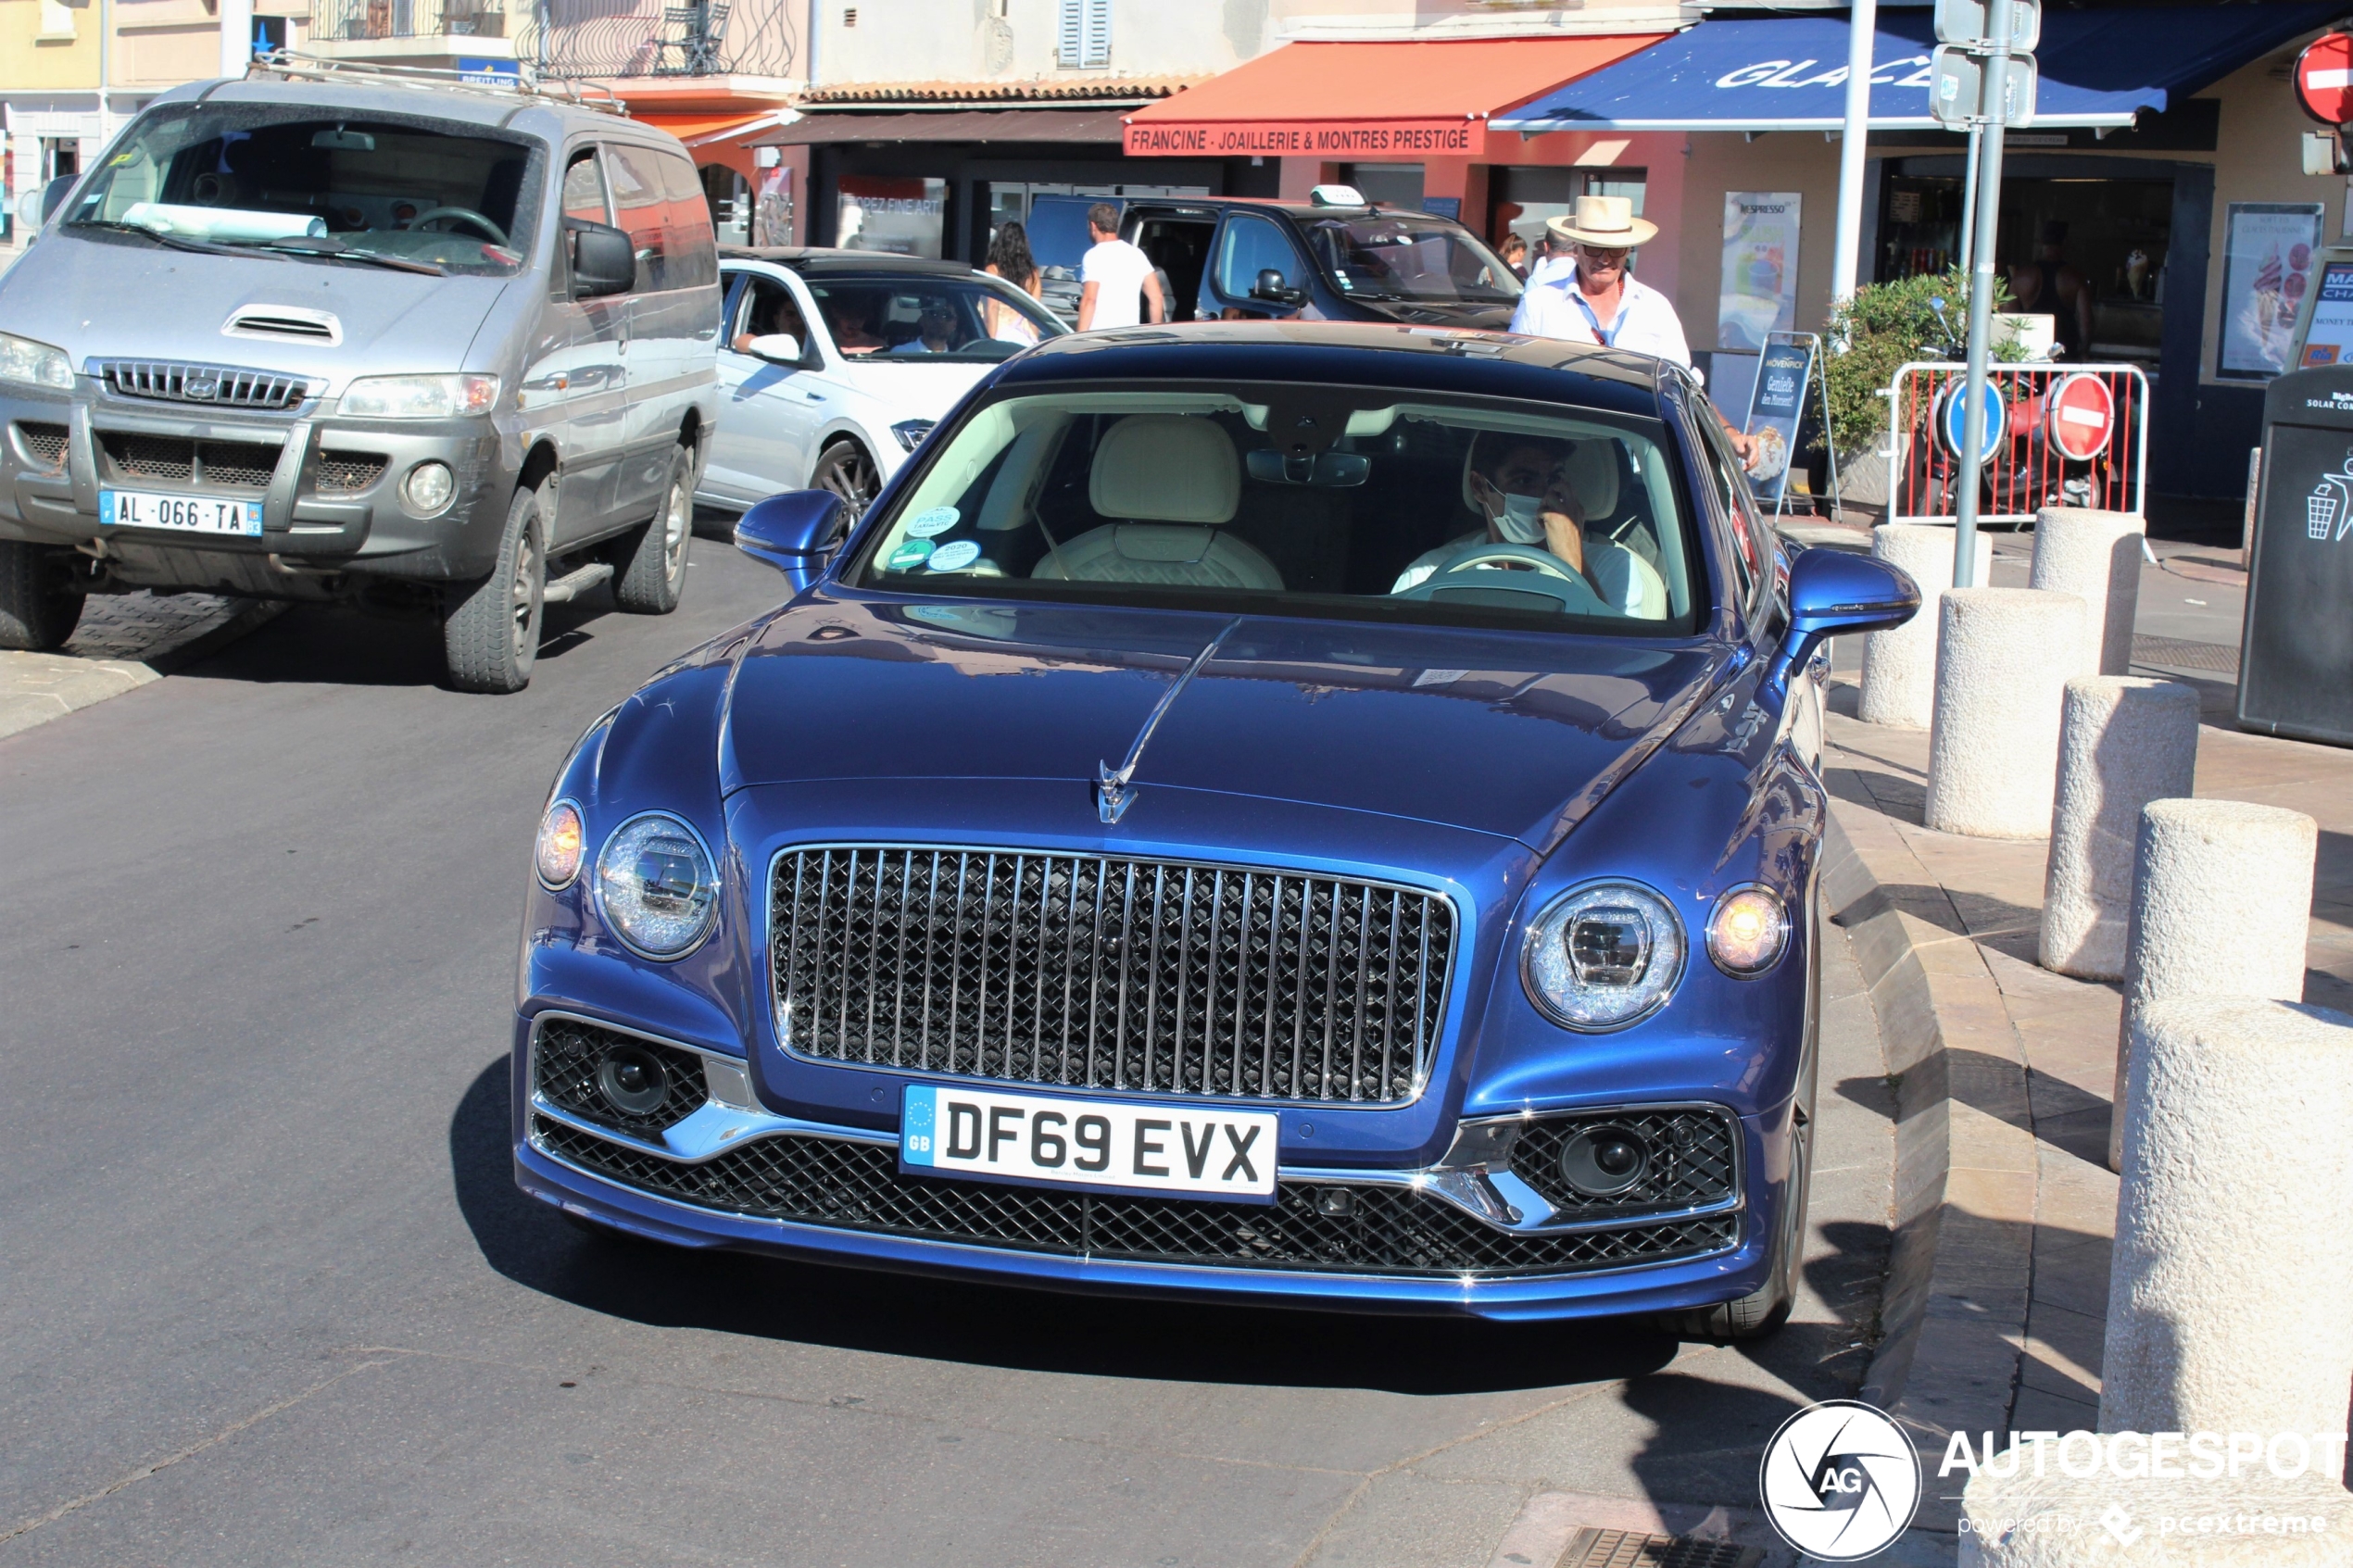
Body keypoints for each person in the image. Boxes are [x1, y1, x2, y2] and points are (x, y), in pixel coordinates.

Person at [1511, 195, 1755, 464]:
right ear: (1577, 248)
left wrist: (1729, 433)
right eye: (1594, 248)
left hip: (1641, 467)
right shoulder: (1540, 303)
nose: (1604, 259)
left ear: (1628, 251)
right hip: (1558, 459)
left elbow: (1685, 388)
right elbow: (1513, 383)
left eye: (1615, 249)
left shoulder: (1655, 308)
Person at [1389, 433, 1663, 618]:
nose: (1543, 495)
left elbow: (1615, 665)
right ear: (1480, 487)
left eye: (1554, 479)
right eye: (1524, 481)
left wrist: (1571, 560)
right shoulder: (1429, 574)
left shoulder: (1612, 566)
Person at [2007, 220, 2094, 360]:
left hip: (2029, 353)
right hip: (2063, 352)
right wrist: (2084, 351)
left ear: (2041, 242)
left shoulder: (2022, 277)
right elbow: (2086, 321)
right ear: (2065, 242)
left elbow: (2008, 317)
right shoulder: (2075, 278)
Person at [1076, 203, 1163, 331]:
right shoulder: (1136, 254)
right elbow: (1156, 297)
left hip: (1100, 336)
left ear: (1093, 225)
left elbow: (1089, 300)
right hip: (1128, 337)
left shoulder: (1094, 256)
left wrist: (1078, 340)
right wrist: (1156, 333)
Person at [983, 221, 1043, 345]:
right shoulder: (1033, 274)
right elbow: (1035, 312)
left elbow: (992, 308)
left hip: (999, 333)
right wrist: (1034, 341)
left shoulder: (993, 270)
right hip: (1024, 337)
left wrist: (990, 342)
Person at [889, 299, 962, 355]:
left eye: (947, 316)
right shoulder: (901, 353)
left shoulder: (960, 359)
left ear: (955, 324)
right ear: (922, 320)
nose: (940, 320)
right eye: (933, 313)